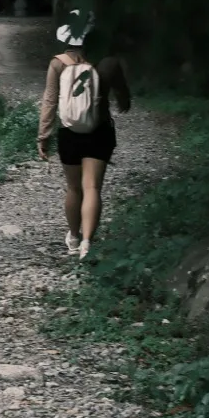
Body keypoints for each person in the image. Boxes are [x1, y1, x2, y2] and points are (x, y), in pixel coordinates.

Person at [38, 13, 131, 260]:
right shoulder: (107, 63)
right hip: (99, 131)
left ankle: (73, 236)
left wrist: (43, 135)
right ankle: (88, 243)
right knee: (92, 188)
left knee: (73, 188)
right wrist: (121, 99)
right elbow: (124, 97)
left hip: (69, 132)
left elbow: (49, 100)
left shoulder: (58, 63)